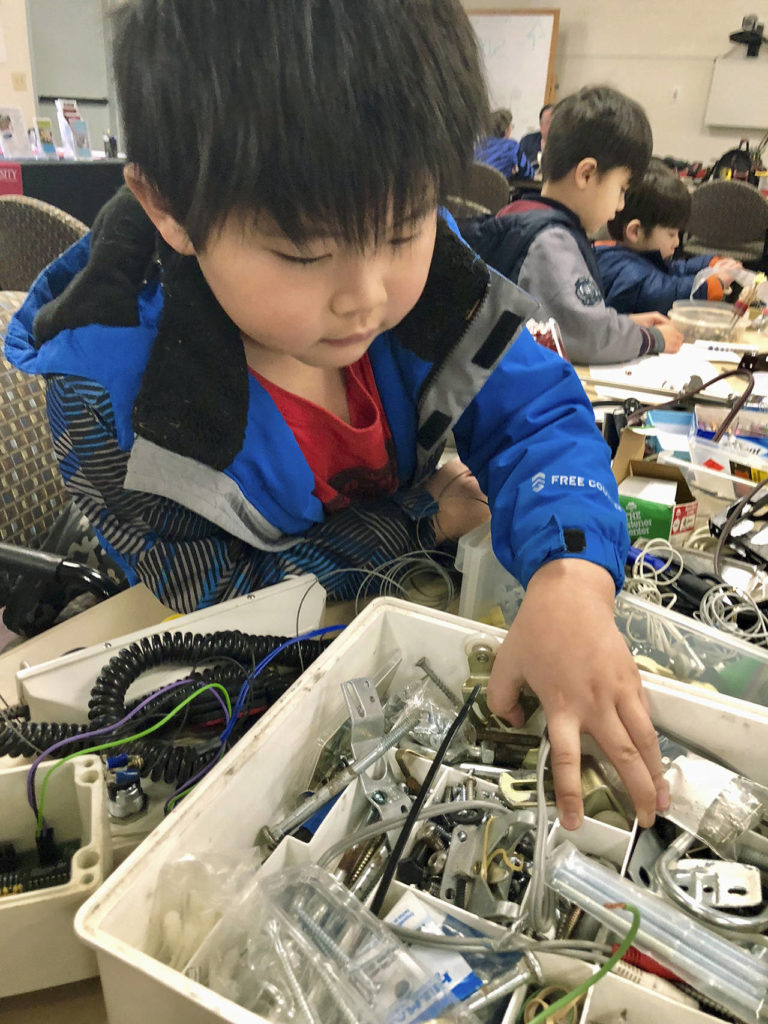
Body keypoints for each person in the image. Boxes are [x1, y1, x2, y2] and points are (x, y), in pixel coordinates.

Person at [5, 0, 667, 831]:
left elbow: (537, 411)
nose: (366, 296)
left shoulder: (434, 289)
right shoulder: (114, 408)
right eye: (304, 253)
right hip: (240, 684)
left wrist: (572, 574)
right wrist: (420, 519)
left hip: (391, 623)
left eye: (403, 229)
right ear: (171, 208)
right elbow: (209, 594)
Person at [459, 85, 684, 364]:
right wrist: (653, 339)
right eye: (621, 188)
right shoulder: (551, 241)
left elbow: (565, 320)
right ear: (587, 174)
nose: (621, 205)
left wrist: (626, 324)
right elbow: (589, 337)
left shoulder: (521, 213)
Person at [595, 158, 742, 315]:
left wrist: (709, 264)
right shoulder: (628, 272)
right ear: (635, 232)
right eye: (671, 234)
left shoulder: (637, 256)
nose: (677, 242)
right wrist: (712, 284)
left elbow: (675, 269)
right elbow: (665, 293)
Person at [473, 108, 534, 181]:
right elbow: (528, 173)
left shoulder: (479, 145)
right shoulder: (511, 146)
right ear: (507, 129)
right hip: (497, 189)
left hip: (474, 188)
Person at [519, 103, 554, 173]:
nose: (552, 126)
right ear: (541, 125)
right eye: (548, 122)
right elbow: (518, 166)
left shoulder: (564, 144)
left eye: (555, 122)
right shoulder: (527, 141)